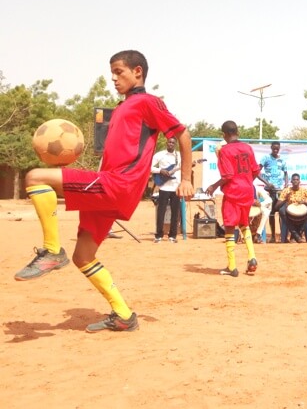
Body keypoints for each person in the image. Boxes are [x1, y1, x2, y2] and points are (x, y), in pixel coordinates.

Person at [15, 50, 193, 333]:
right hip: (111, 185)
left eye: (118, 71)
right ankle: (124, 315)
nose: (113, 78)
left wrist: (186, 178)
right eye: (111, 72)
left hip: (117, 184)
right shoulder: (123, 107)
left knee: (36, 177)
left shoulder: (148, 102)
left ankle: (51, 250)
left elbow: (182, 134)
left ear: (137, 71)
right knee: (83, 256)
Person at [204, 121, 262, 277]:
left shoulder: (225, 151)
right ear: (237, 131)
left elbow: (228, 175)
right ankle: (252, 257)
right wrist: (247, 181)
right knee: (244, 224)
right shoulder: (247, 148)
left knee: (230, 226)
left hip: (233, 192)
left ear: (224, 134)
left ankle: (232, 266)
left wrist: (214, 186)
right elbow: (256, 170)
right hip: (247, 191)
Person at [151, 136, 182, 243]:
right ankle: (158, 235)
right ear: (166, 143)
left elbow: (183, 167)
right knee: (161, 212)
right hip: (164, 187)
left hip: (176, 187)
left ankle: (172, 236)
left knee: (175, 213)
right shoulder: (159, 155)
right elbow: (150, 167)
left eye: (173, 143)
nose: (171, 144)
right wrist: (160, 170)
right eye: (169, 142)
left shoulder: (179, 156)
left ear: (175, 144)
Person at [260, 141, 289, 243]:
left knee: (282, 212)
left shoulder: (282, 160)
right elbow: (257, 173)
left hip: (280, 191)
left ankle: (283, 236)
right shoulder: (265, 158)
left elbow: (286, 173)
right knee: (271, 213)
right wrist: (267, 183)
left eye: (277, 148)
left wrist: (286, 184)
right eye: (274, 148)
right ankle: (272, 236)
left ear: (279, 148)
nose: (276, 150)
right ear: (271, 147)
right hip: (270, 191)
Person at [276, 173, 307, 243]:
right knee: (281, 211)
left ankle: (298, 232)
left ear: (299, 181)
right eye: (294, 180)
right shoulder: (286, 191)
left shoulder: (304, 190)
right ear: (291, 181)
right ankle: (295, 234)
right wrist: (286, 198)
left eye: (297, 180)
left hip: (302, 215)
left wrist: (304, 202)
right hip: (289, 216)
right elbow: (276, 207)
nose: (295, 181)